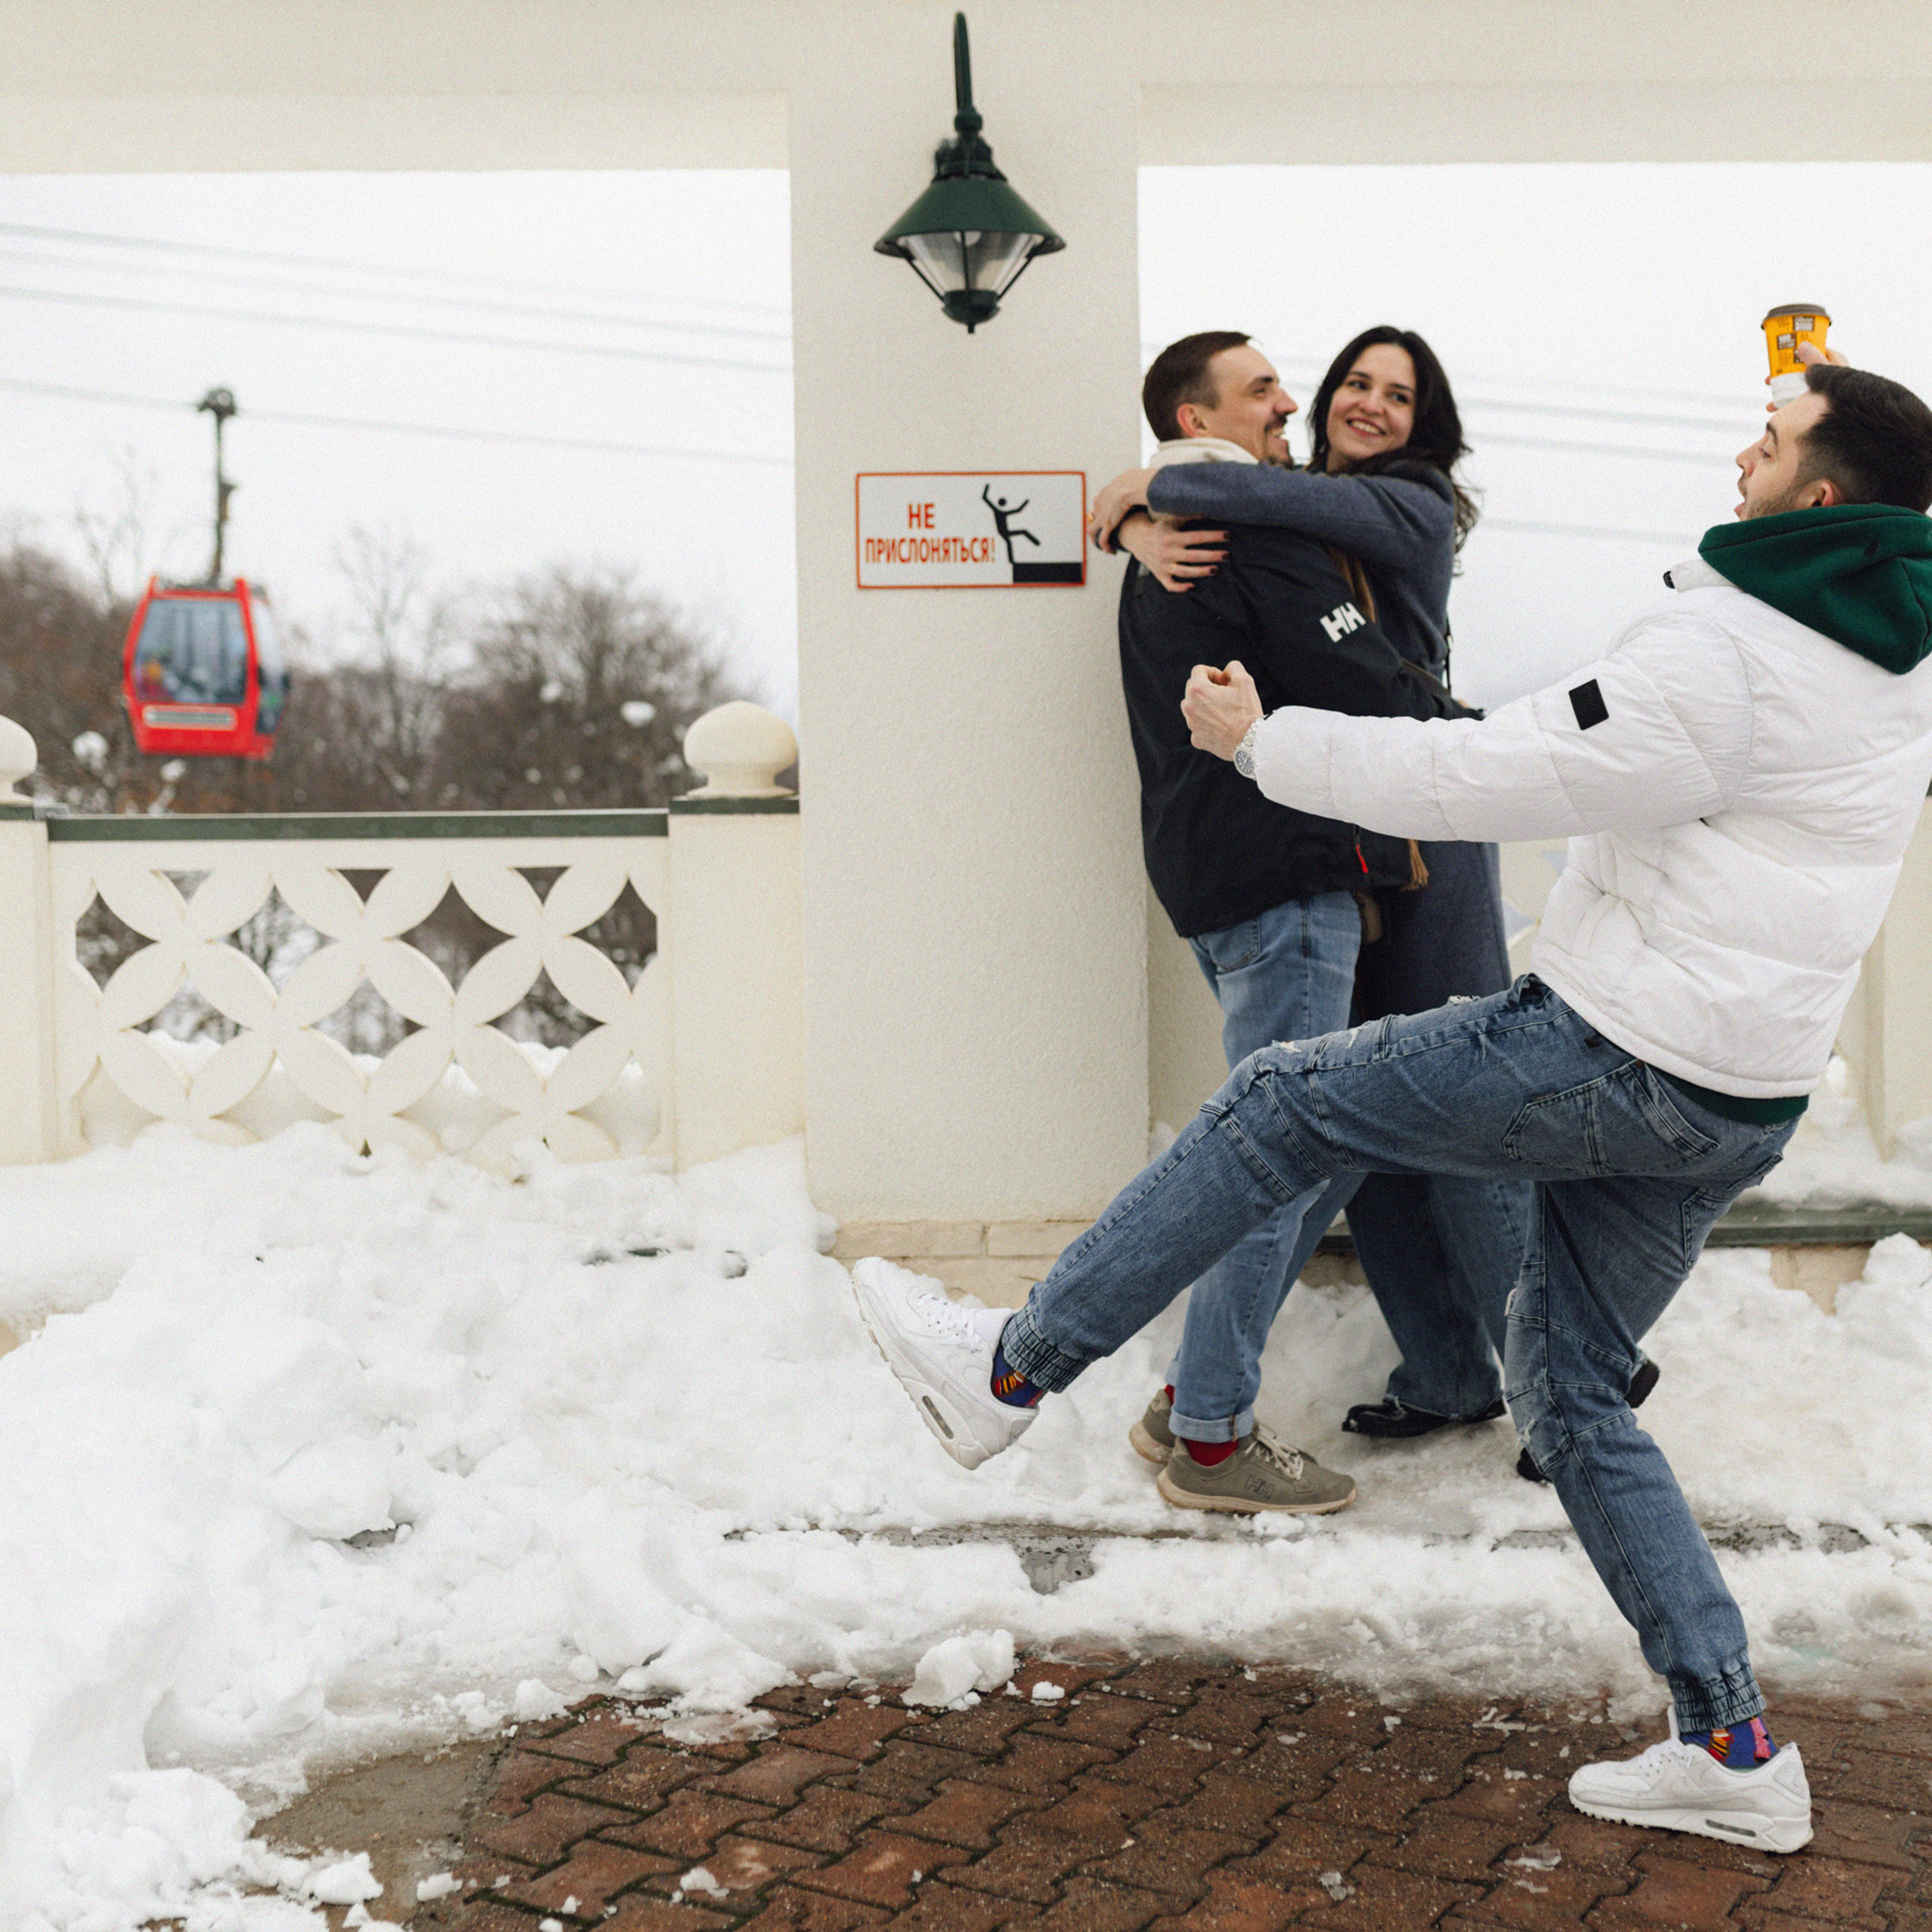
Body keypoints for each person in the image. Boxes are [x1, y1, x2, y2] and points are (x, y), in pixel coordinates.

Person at [853, 358, 1932, 1852]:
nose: (1739, 451)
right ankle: (1731, 1740)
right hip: (1736, 1092)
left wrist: (1261, 743)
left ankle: (1012, 1368)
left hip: (1623, 1050)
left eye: (1770, 438)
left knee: (1288, 1094)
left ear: (1820, 496)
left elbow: (1497, 771)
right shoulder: (1885, 652)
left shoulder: (1732, 646)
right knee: (1567, 1386)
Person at [1093, 327, 1535, 1464]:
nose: (1355, 403)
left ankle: (1557, 1394)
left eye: (1398, 393)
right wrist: (1142, 516)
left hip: (1425, 837)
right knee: (1351, 1129)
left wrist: (1153, 497)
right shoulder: (1260, 518)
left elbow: (1265, 507)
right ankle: (1430, 1371)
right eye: (1350, 383)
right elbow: (1248, 514)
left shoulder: (1406, 507)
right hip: (1340, 847)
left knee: (1462, 1124)